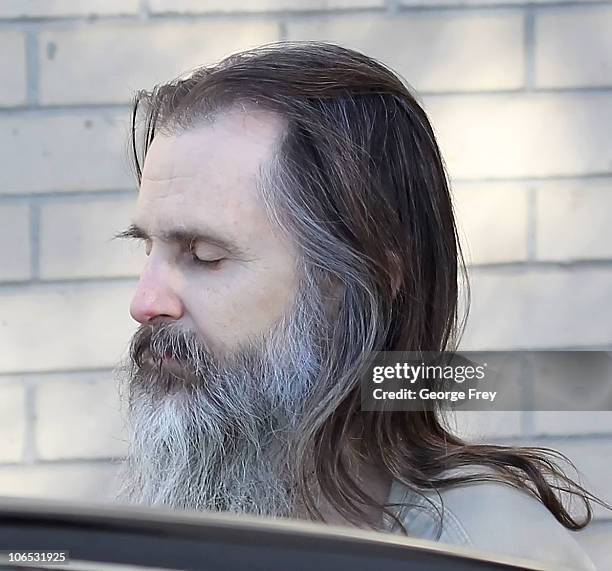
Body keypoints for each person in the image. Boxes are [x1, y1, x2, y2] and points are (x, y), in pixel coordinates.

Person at [113, 41, 605, 570]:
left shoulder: (482, 550)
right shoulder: (178, 524)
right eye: (148, 249)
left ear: (355, 283)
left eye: (204, 255)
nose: (145, 303)